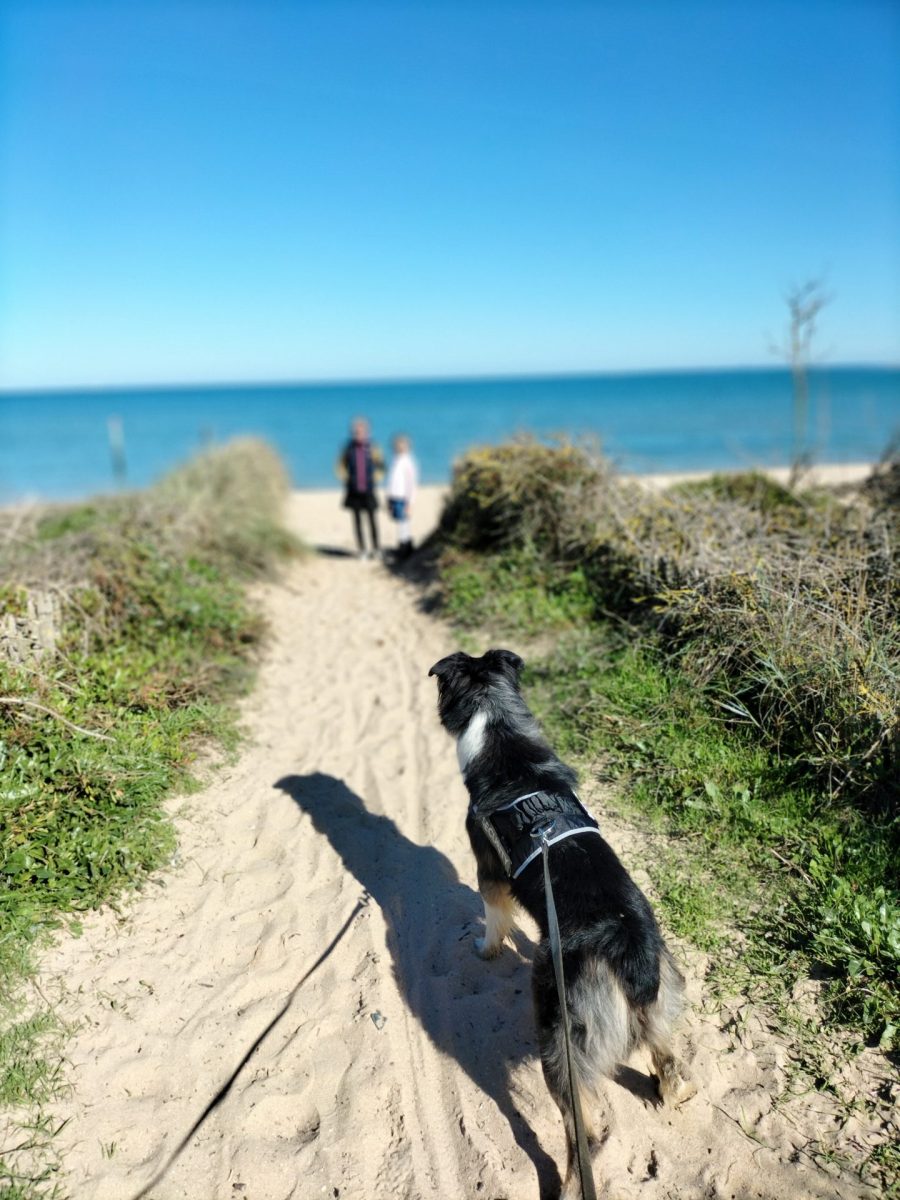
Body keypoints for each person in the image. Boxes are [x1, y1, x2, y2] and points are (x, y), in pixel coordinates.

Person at [337, 417, 384, 558]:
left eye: (361, 431)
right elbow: (340, 465)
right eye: (355, 432)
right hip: (353, 489)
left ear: (367, 432)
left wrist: (375, 478)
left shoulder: (373, 447)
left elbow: (381, 466)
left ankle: (376, 548)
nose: (358, 434)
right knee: (357, 521)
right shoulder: (348, 448)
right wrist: (346, 478)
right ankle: (362, 549)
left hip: (368, 488)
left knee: (372, 519)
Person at [386, 433, 418, 559]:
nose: (400, 447)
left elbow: (411, 483)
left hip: (403, 497)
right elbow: (392, 481)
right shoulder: (396, 460)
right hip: (395, 496)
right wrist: (388, 496)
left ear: (408, 446)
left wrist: (410, 501)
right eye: (397, 445)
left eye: (402, 445)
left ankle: (405, 546)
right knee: (400, 521)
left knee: (403, 521)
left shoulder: (408, 461)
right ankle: (403, 544)